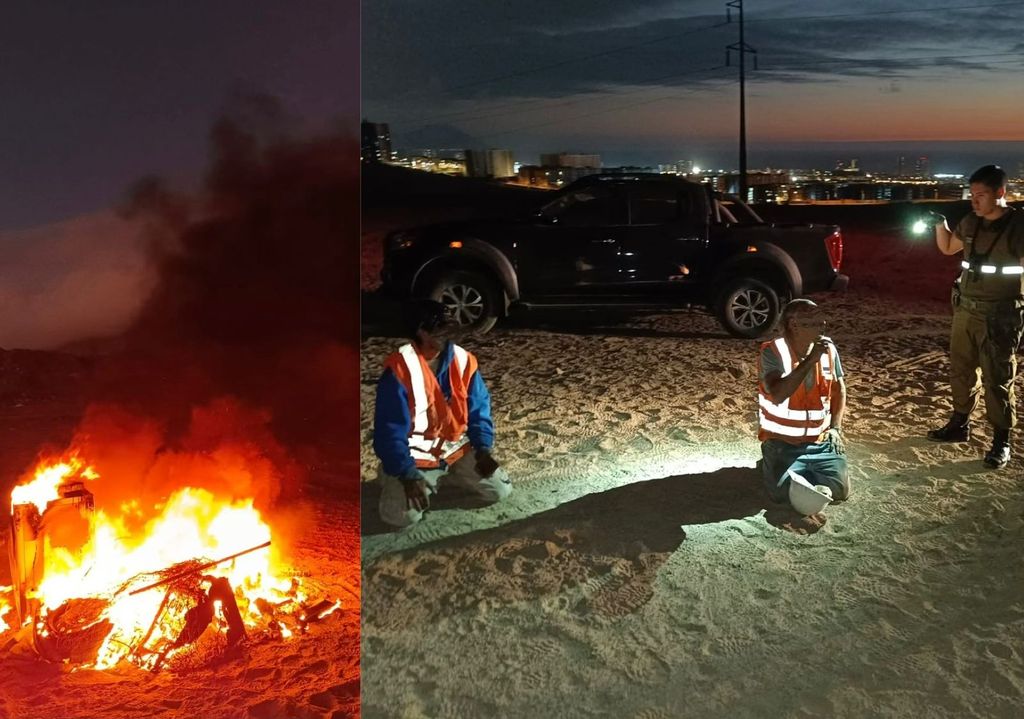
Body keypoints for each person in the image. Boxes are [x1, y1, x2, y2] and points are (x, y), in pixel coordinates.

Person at [373, 299, 512, 528]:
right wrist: (406, 473)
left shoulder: (463, 361)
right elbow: (389, 431)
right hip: (415, 454)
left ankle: (442, 476)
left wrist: (483, 449)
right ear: (422, 332)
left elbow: (479, 409)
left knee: (499, 491)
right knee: (400, 517)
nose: (450, 335)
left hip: (454, 449)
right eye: (442, 329)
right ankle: (392, 474)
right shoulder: (399, 370)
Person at [928, 164, 1024, 469]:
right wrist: (940, 225)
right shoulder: (970, 222)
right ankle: (960, 424)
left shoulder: (1018, 227)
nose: (974, 200)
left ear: (1001, 193)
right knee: (962, 370)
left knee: (998, 377)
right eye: (972, 194)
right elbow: (948, 248)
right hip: (966, 310)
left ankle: (1001, 441)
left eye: (981, 195)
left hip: (1001, 314)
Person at [758, 299, 850, 507]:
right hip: (782, 442)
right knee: (781, 495)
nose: (821, 327)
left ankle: (804, 471)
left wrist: (835, 428)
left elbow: (839, 390)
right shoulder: (773, 351)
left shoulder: (828, 348)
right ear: (794, 325)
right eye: (814, 323)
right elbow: (778, 394)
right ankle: (771, 460)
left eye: (822, 322)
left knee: (840, 491)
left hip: (821, 441)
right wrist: (810, 361)